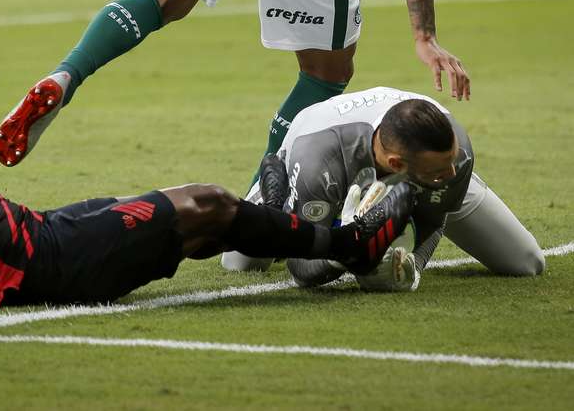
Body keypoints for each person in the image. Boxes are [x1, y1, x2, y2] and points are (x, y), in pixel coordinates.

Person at [0, 31, 415, 320]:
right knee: (207, 203)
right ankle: (349, 245)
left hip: (38, 233)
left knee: (200, 226)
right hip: (39, 259)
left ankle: (283, 218)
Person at [0, 0, 470, 170]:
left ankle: (66, 76)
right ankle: (264, 197)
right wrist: (424, 36)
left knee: (160, 1)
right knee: (326, 73)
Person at [221, 87, 545, 289]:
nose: (452, 171)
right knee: (241, 263)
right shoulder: (320, 159)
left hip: (416, 177)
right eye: (440, 168)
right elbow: (301, 270)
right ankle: (273, 203)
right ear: (396, 164)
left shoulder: (454, 155)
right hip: (312, 171)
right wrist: (344, 250)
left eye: (451, 159)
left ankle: (397, 200)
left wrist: (411, 269)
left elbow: (433, 219)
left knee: (527, 262)